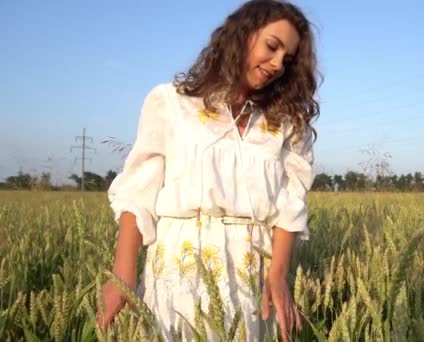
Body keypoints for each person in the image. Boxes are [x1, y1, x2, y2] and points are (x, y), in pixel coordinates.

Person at [96, 0, 320, 340]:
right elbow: (138, 191)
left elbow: (291, 201)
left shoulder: (287, 123)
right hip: (179, 265)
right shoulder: (171, 102)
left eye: (287, 60)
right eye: (271, 47)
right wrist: (122, 275)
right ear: (242, 35)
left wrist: (278, 274)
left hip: (253, 270)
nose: (276, 64)